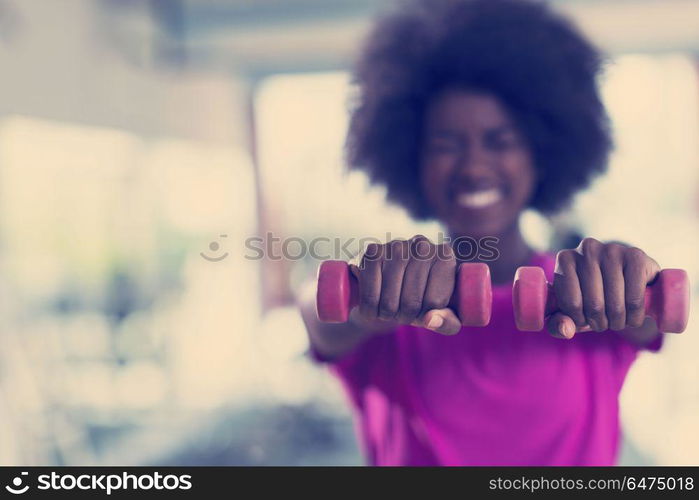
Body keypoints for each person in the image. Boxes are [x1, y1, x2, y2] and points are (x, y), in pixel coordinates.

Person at [298, 0, 663, 466]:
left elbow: (648, 315)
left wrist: (632, 276)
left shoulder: (589, 294)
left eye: (501, 141)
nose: (473, 167)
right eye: (445, 146)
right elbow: (320, 315)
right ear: (412, 161)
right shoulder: (384, 298)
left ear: (541, 154)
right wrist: (364, 302)